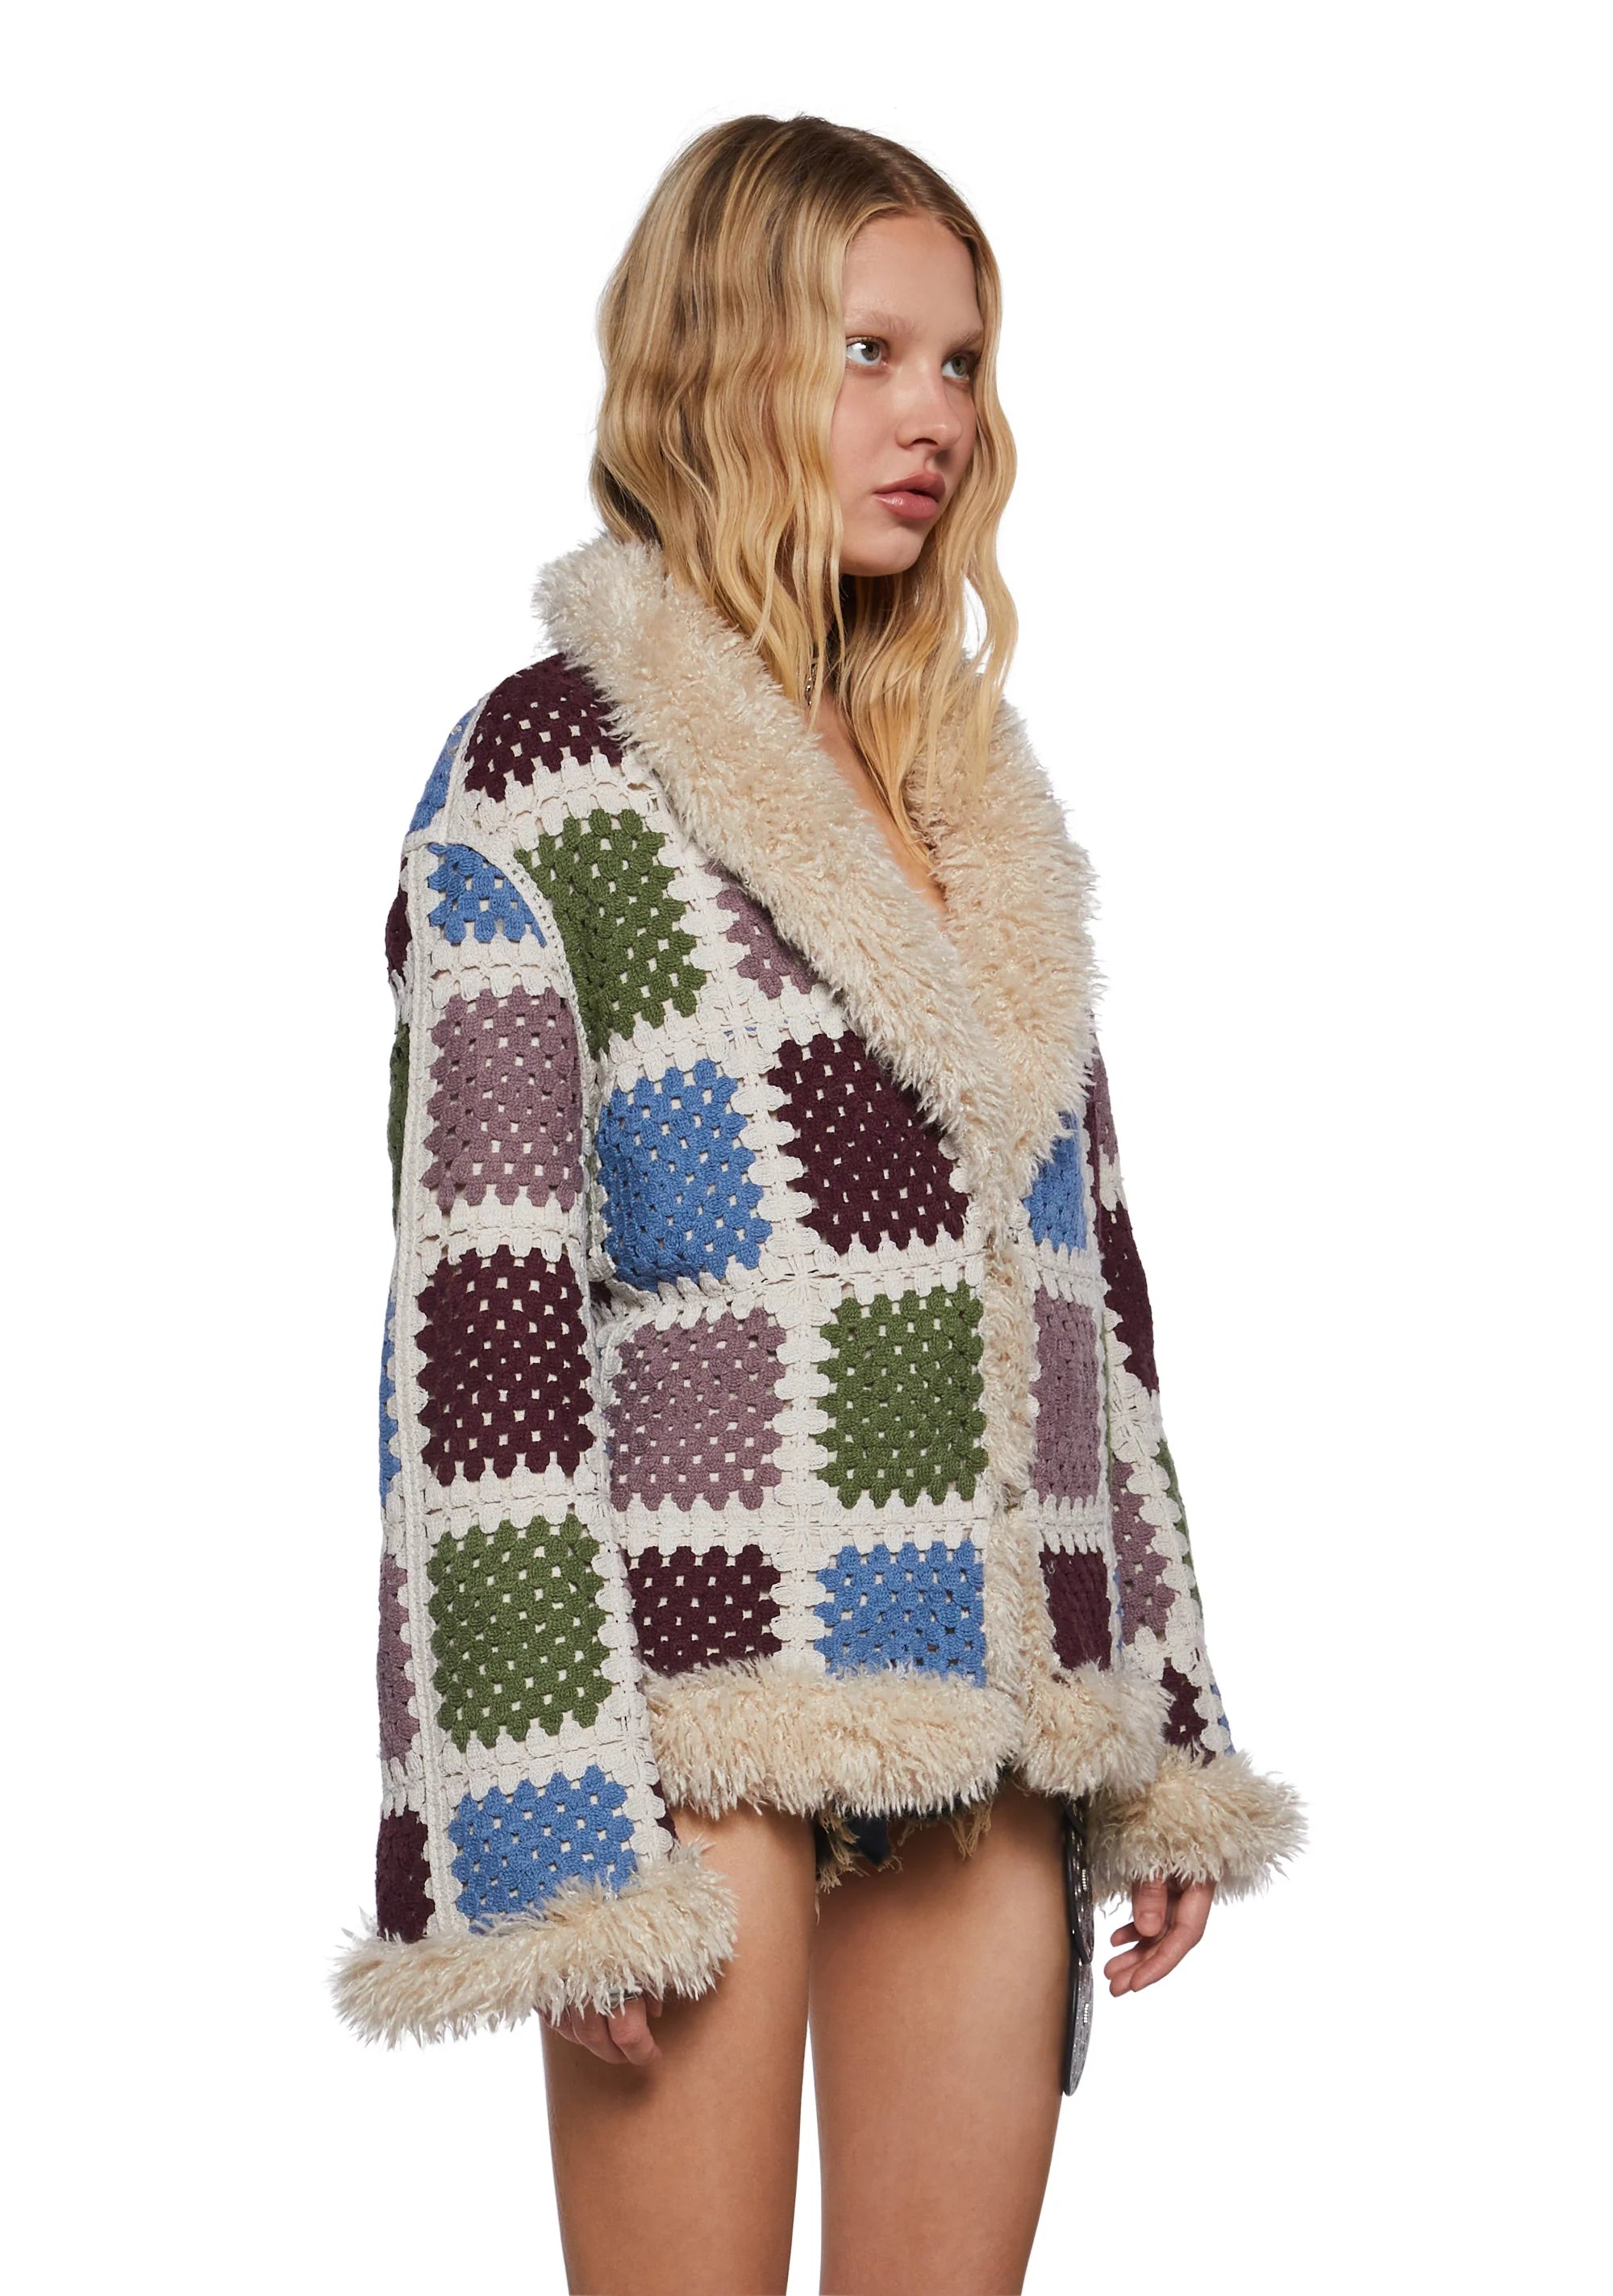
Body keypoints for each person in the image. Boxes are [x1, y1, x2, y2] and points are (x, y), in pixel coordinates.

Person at [333, 113, 1303, 2296]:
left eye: (961, 362)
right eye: (869, 350)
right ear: (719, 357)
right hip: (694, 1713)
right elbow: (482, 1328)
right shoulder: (549, 775)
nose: (932, 416)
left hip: (994, 1705)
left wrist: (1164, 1720)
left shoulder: (974, 791)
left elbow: (1090, 1296)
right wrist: (551, 1833)